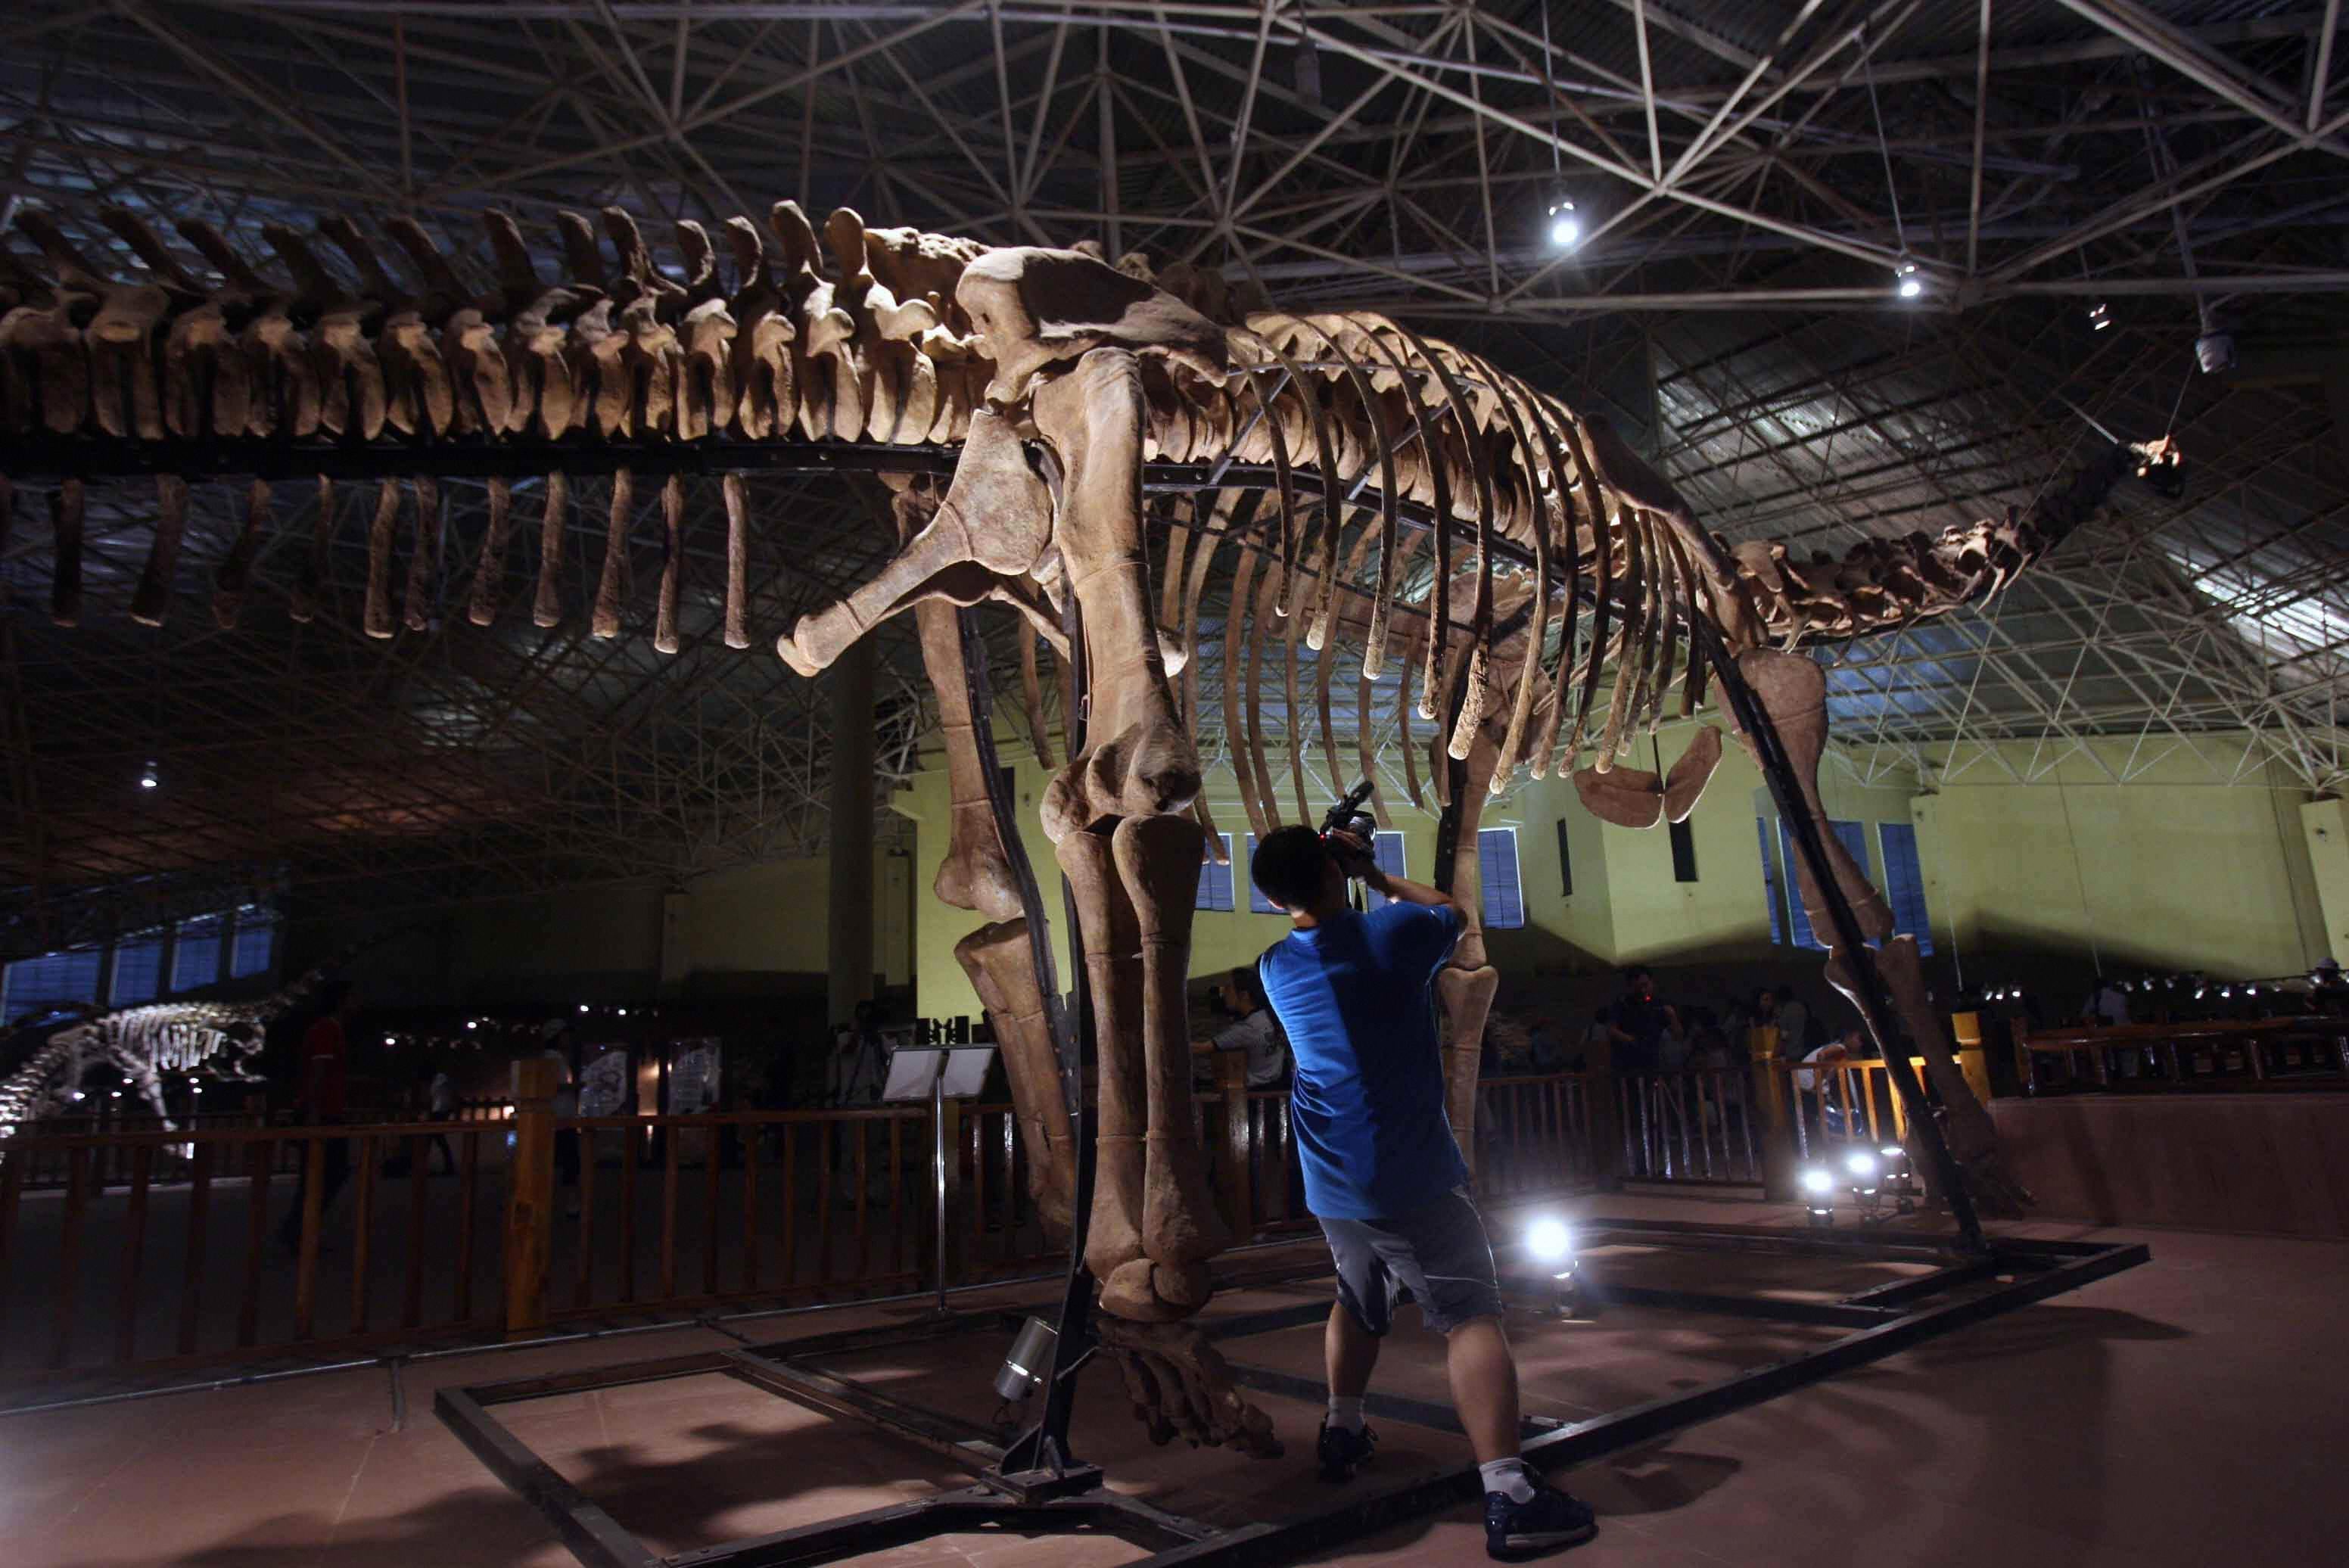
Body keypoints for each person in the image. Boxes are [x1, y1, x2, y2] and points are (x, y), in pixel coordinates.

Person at [1249, 823, 1597, 1560]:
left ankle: (1342, 1427)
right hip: (1408, 1172)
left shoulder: (1275, 964)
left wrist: (1329, 873)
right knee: (1471, 1314)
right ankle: (1508, 1490)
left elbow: (1323, 922)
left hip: (1331, 1180)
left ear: (1272, 896)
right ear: (1329, 871)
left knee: (1356, 1295)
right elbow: (1449, 908)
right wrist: (1370, 871)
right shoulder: (1391, 937)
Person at [278, 980, 359, 1252]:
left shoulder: (331, 1030)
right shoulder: (326, 1030)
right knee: (325, 1172)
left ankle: (298, 1230)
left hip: (326, 1111)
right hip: (323, 1114)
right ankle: (297, 1231)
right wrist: (313, 1111)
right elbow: (319, 1071)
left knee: (322, 1173)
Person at [1208, 968, 1290, 1089]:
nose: (1224, 993)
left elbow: (1205, 1047)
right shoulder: (1271, 1016)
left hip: (1256, 1093)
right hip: (1276, 1090)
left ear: (1244, 995)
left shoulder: (1249, 1027)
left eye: (1228, 988)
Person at [540, 1022, 582, 1216]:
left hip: (555, 1116)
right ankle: (571, 1202)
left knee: (555, 1161)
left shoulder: (552, 1058)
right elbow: (554, 1085)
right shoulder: (554, 1058)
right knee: (569, 1161)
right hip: (561, 1117)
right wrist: (576, 1086)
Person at [426, 1065, 457, 1174]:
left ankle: (448, 1166)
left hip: (440, 1111)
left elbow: (442, 1097)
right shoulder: (437, 1082)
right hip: (439, 1111)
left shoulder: (440, 1079)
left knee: (436, 1138)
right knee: (436, 1139)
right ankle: (448, 1166)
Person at [1773, 985, 1812, 1056]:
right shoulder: (1801, 1007)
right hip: (1803, 1050)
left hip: (1790, 1051)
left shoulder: (1786, 1010)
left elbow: (1784, 1034)